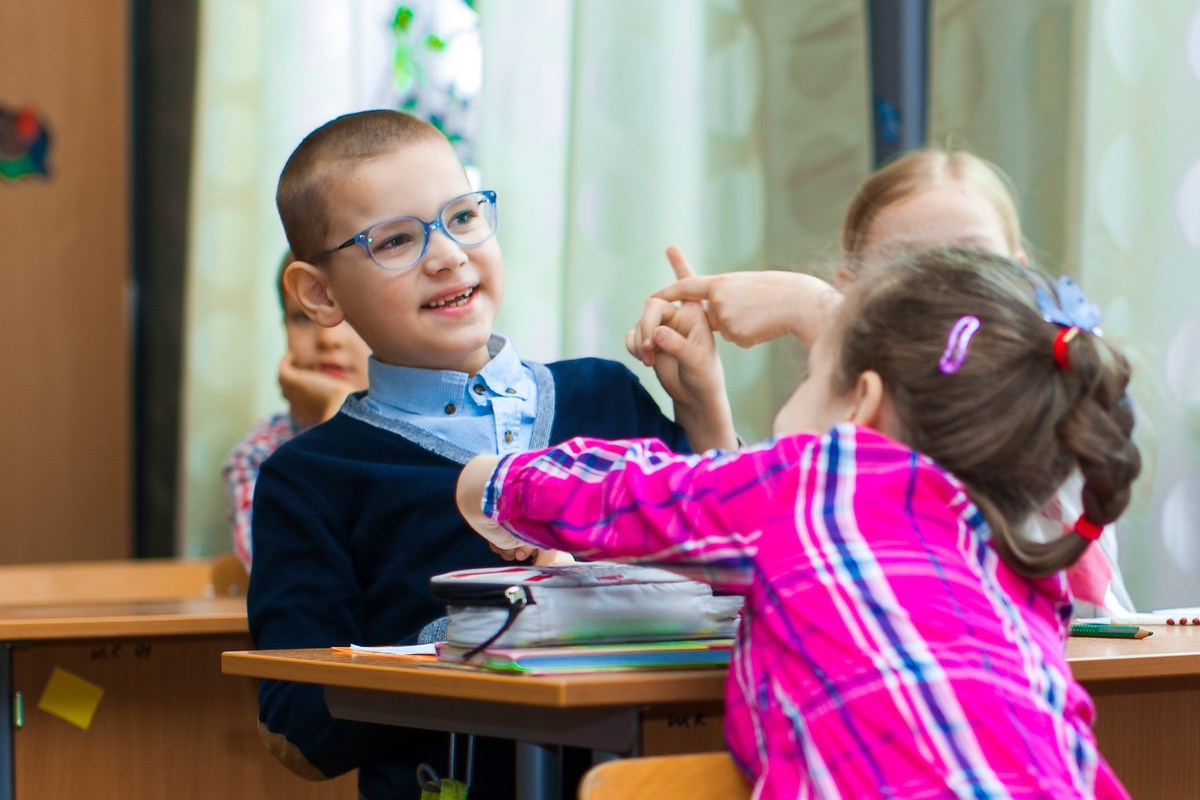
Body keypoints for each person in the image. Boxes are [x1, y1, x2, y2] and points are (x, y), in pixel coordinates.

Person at [458, 248, 1141, 799]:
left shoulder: (826, 481)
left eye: (812, 372)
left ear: (860, 406)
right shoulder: (1021, 570)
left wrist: (492, 482)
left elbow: (629, 496)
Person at [247, 109, 736, 800]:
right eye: (396, 240)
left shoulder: (606, 396)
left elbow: (746, 581)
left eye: (463, 216)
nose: (448, 254)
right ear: (320, 294)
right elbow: (297, 724)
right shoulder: (310, 479)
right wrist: (484, 629)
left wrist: (706, 412)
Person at [636, 148, 1135, 618]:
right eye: (905, 266)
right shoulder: (838, 415)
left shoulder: (1047, 397)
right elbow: (760, 551)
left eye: (973, 262)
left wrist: (824, 313)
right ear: (852, 286)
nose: (940, 293)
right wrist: (706, 408)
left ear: (1020, 278)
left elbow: (962, 544)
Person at [219, 253, 371, 571]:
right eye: (303, 317)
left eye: (350, 316)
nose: (328, 338)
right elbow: (289, 575)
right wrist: (336, 417)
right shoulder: (258, 457)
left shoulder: (425, 431)